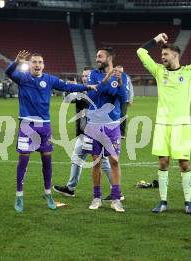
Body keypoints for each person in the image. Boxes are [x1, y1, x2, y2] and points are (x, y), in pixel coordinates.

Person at [5, 50, 96, 213]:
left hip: (45, 126)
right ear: (30, 64)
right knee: (23, 162)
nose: (37, 65)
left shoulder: (49, 79)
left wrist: (87, 86)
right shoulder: (22, 78)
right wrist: (17, 61)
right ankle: (19, 195)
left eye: (40, 62)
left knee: (47, 161)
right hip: (27, 125)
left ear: (43, 65)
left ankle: (48, 194)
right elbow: (8, 72)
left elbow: (67, 86)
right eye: (34, 62)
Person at [137, 33, 191, 214]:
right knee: (163, 163)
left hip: (181, 126)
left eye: (165, 54)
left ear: (175, 55)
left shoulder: (189, 72)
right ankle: (163, 201)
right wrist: (157, 39)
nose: (162, 57)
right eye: (162, 55)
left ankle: (188, 202)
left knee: (184, 164)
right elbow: (141, 52)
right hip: (162, 125)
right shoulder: (158, 71)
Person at [53, 67, 123, 201]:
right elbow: (68, 99)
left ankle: (115, 191)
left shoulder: (94, 92)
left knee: (100, 161)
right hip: (85, 133)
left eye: (87, 76)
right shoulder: (85, 90)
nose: (85, 78)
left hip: (91, 132)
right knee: (85, 158)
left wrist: (75, 89)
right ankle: (71, 187)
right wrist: (70, 88)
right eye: (83, 76)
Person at [84, 47, 127, 212]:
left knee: (114, 161)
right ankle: (97, 197)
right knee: (96, 162)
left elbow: (123, 99)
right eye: (97, 56)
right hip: (93, 124)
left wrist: (121, 83)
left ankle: (116, 199)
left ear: (109, 58)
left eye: (100, 56)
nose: (97, 59)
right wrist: (107, 78)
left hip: (111, 125)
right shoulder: (93, 75)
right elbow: (93, 96)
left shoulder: (120, 76)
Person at [115, 65, 134, 138]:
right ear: (115, 71)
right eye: (117, 71)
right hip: (114, 100)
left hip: (124, 100)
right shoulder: (111, 77)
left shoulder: (126, 77)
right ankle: (113, 132)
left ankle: (122, 133)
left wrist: (130, 99)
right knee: (114, 116)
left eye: (121, 72)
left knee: (122, 115)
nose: (119, 73)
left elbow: (130, 88)